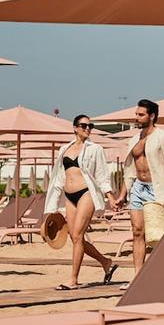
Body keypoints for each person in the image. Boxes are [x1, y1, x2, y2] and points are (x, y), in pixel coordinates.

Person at [45, 114, 119, 290]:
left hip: (86, 193)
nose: (88, 129)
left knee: (77, 235)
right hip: (69, 196)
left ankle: (73, 280)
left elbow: (102, 175)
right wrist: (51, 207)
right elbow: (57, 178)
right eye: (84, 125)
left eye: (90, 126)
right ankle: (106, 262)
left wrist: (110, 197)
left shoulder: (95, 149)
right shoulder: (64, 149)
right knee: (74, 237)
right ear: (75, 128)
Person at [117, 99, 164, 272]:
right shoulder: (133, 141)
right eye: (136, 114)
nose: (137, 118)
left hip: (157, 188)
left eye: (141, 115)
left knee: (159, 234)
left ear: (151, 116)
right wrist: (123, 195)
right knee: (137, 231)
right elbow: (129, 172)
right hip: (138, 188)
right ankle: (138, 275)